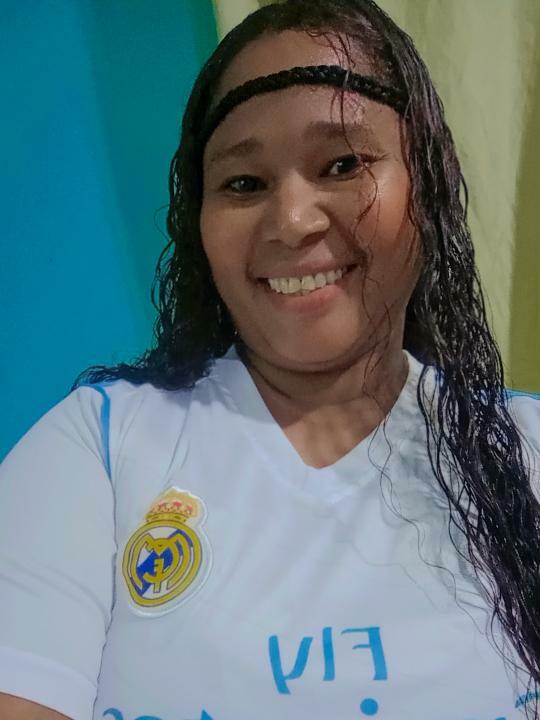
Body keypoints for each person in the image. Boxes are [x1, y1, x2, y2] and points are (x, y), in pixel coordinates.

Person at [1, 0, 539, 718]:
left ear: (429, 187)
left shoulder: (528, 453)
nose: (291, 221)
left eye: (342, 164)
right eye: (244, 184)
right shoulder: (96, 451)